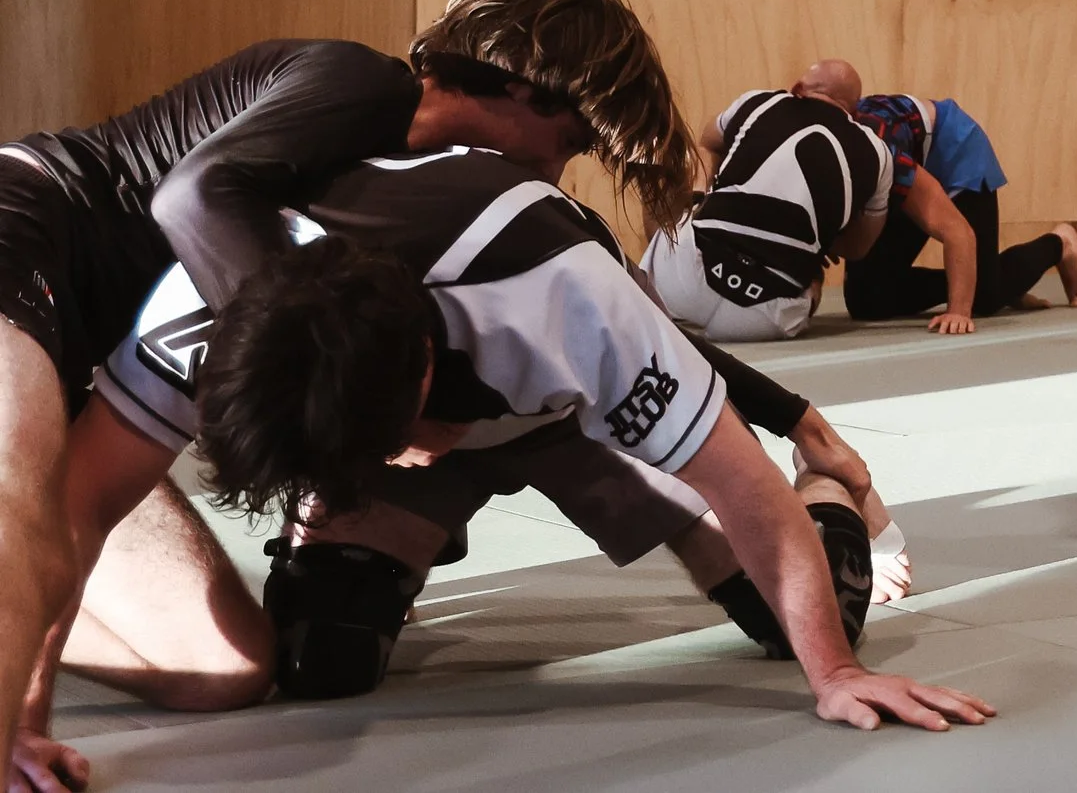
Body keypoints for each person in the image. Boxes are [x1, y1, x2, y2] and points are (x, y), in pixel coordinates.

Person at [61, 142, 991, 743]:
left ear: (426, 380)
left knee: (798, 617)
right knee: (321, 654)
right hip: (383, 380)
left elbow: (744, 489)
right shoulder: (209, 304)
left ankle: (829, 487)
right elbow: (78, 504)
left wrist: (836, 673)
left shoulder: (565, 301)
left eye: (386, 451)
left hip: (572, 416)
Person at [0, 38, 424, 786]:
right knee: (18, 502)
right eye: (565, 138)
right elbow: (190, 193)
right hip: (20, 223)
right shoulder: (364, 90)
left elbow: (84, 506)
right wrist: (18, 733)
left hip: (74, 372)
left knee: (224, 668)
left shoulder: (384, 227)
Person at [819, 61, 1077, 332]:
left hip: (954, 149)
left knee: (983, 299)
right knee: (867, 300)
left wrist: (959, 311)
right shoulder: (817, 151)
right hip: (906, 167)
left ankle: (1060, 244)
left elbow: (956, 230)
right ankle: (997, 280)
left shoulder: (878, 149)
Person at [639, 61, 897, 343]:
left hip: (683, 285)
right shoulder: (879, 154)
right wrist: (819, 233)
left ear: (797, 89)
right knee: (812, 269)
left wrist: (702, 196)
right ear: (855, 113)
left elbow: (707, 141)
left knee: (673, 168)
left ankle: (651, 294)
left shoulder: (759, 102)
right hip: (764, 317)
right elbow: (858, 249)